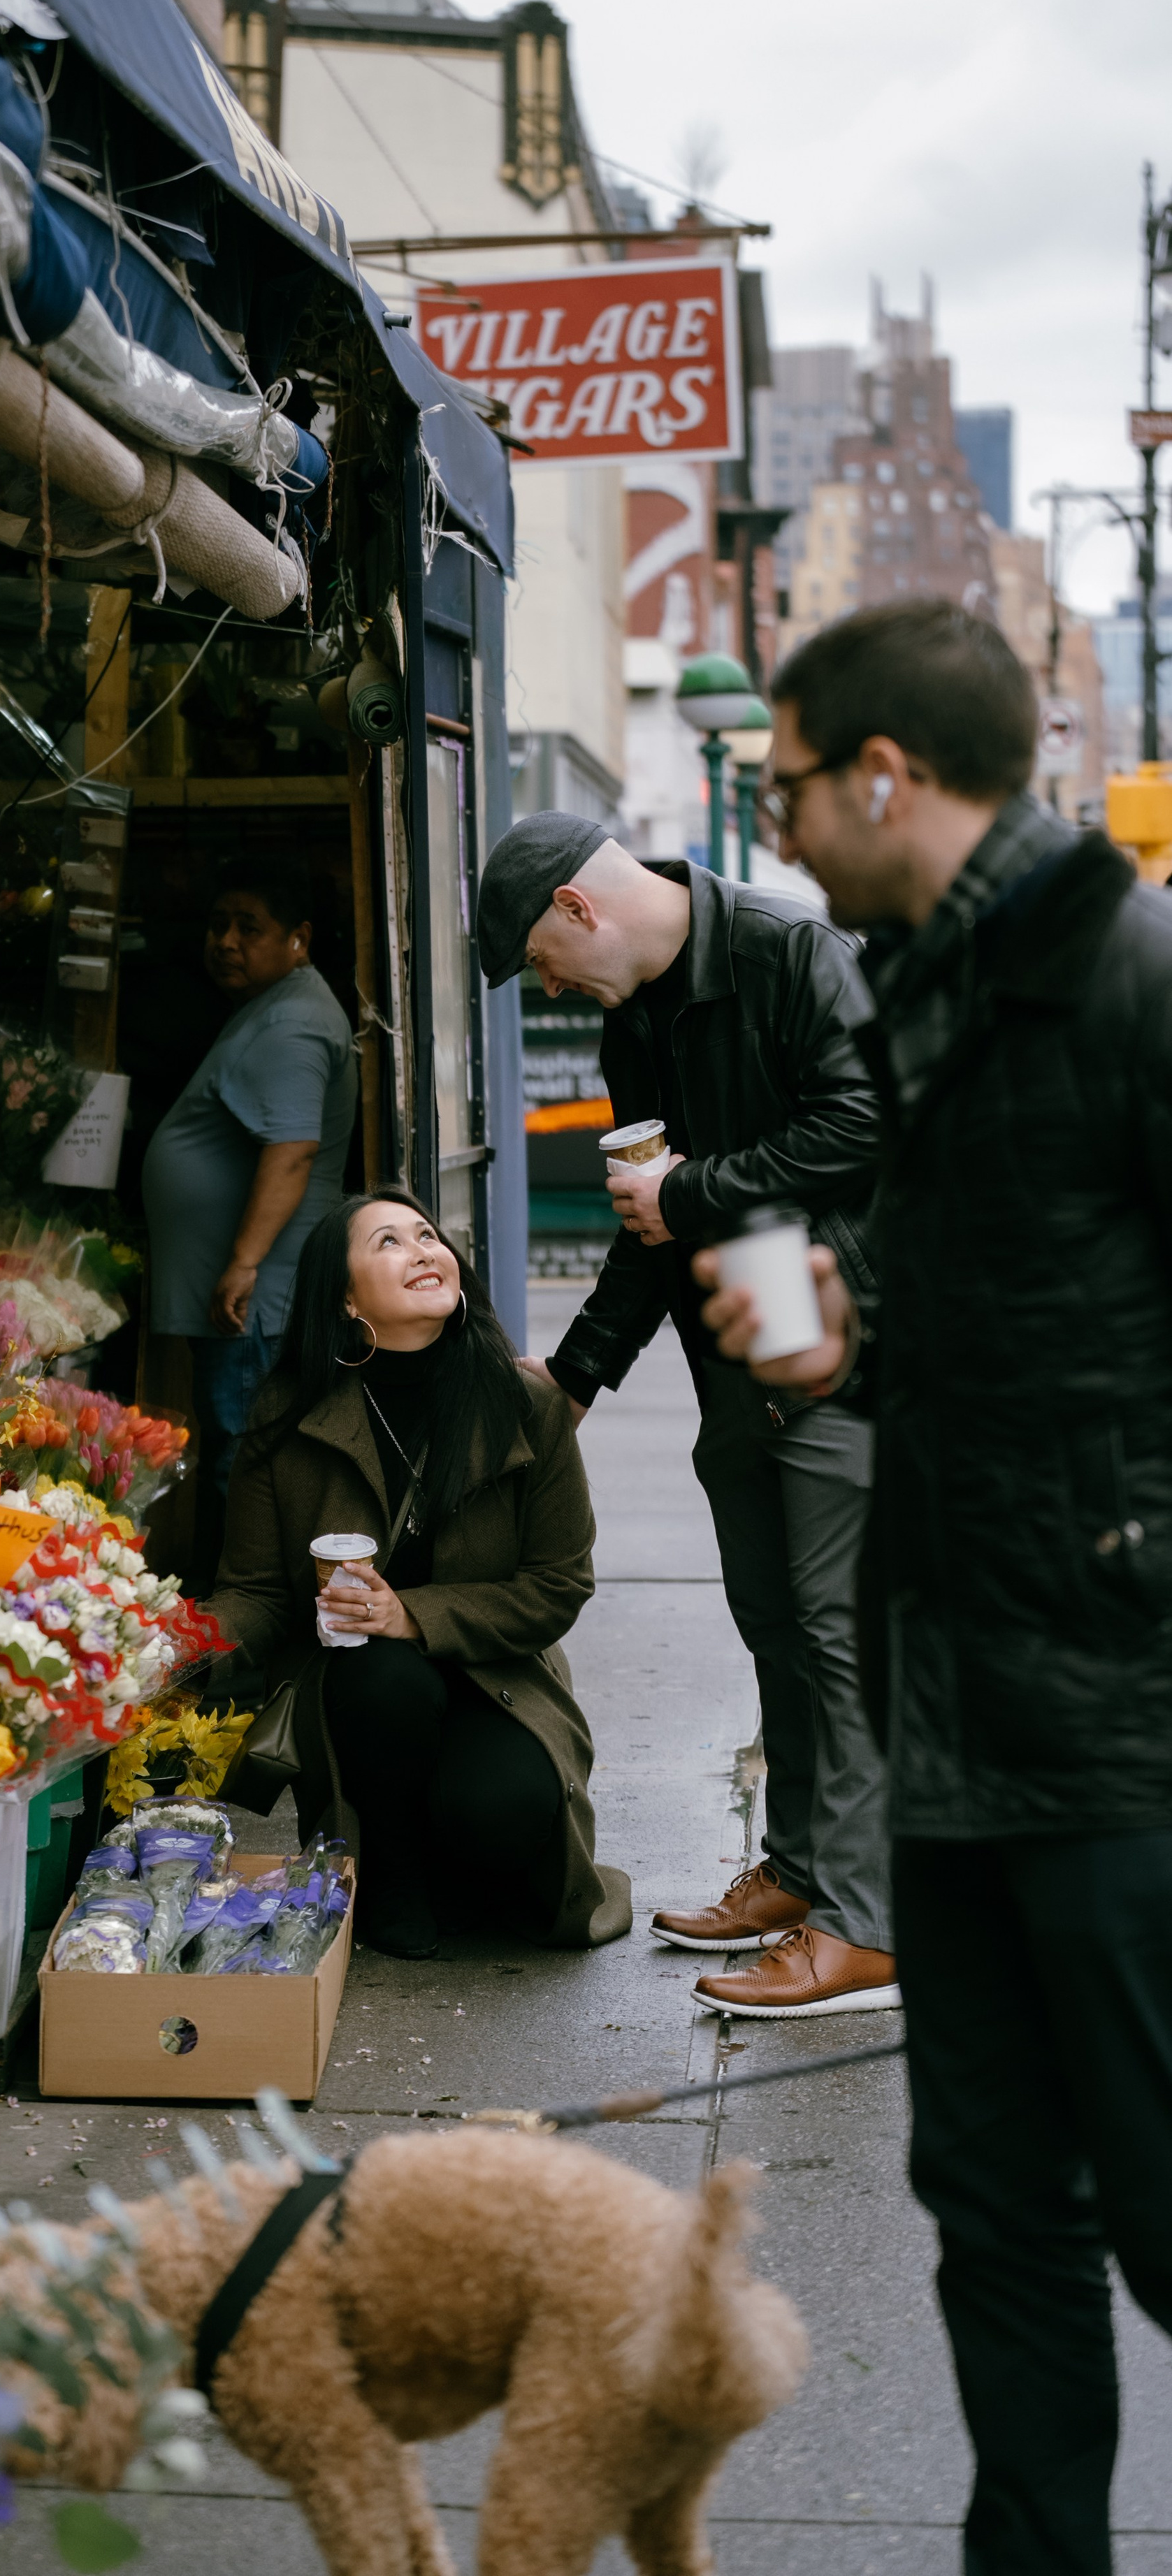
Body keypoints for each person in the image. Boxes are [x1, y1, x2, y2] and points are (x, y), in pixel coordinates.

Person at [697, 594, 1172, 2576]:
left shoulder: (1126, 976)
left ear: (887, 773)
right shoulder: (932, 985)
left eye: (786, 781)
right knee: (995, 2204)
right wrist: (851, 1340)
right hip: (957, 1710)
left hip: (1117, 1718)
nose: (773, 819)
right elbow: (1002, 1306)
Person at [476, 812, 897, 2018]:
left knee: (834, 1634)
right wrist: (576, 1378)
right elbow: (648, 1226)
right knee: (776, 1621)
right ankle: (809, 1871)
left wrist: (694, 1188)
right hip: (738, 1350)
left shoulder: (794, 950)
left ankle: (868, 1928)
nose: (548, 988)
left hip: (835, 1343)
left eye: (543, 961)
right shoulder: (637, 1015)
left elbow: (871, 1126)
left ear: (578, 907)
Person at [203, 1188, 632, 1962]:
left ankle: (459, 1868)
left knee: (504, 1809)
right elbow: (259, 1591)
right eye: (389, 1242)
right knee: (380, 1675)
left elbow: (557, 1584)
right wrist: (173, 1644)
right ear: (343, 1297)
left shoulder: (525, 1402)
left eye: (427, 1235)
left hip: (492, 1671)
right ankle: (391, 1878)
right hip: (361, 1693)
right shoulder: (287, 1414)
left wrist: (413, 1614)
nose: (423, 1250)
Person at [142, 854, 356, 1587]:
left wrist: (241, 1262)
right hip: (256, 1290)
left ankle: (242, 1642)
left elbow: (292, 1151)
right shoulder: (278, 1007)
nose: (226, 941)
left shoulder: (293, 1020)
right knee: (246, 1454)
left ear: (297, 937)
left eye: (249, 927)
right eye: (218, 925)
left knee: (245, 1459)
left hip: (256, 1297)